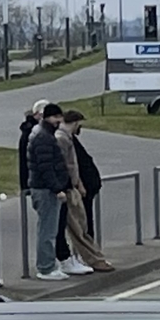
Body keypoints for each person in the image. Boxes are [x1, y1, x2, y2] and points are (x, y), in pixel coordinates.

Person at [55, 111, 115, 274]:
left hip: (77, 188)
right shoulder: (63, 138)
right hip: (72, 189)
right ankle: (90, 258)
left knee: (82, 224)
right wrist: (77, 185)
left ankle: (91, 257)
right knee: (79, 227)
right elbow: (67, 166)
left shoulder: (68, 138)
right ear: (75, 122)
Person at [22, 104, 75, 281]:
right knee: (47, 230)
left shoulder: (43, 134)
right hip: (45, 190)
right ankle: (45, 267)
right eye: (56, 117)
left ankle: (49, 263)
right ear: (49, 117)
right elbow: (46, 167)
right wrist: (57, 188)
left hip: (44, 187)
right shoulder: (43, 137)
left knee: (49, 229)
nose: (59, 121)